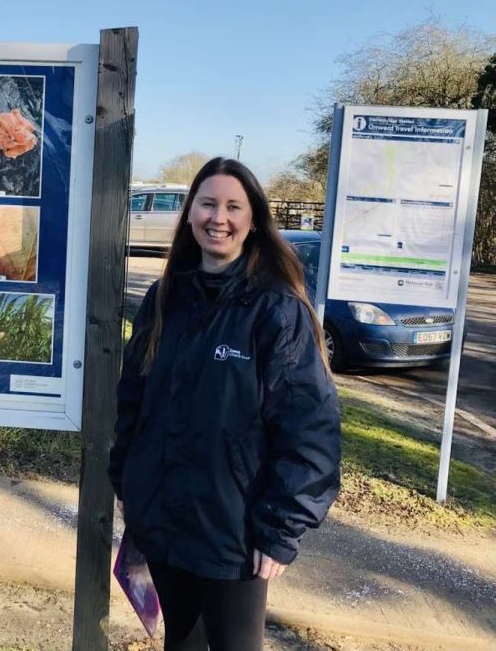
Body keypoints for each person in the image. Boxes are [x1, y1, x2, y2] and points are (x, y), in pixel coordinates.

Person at [109, 157, 340, 650]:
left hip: (234, 537)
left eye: (234, 206)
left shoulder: (276, 311)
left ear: (253, 220)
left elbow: (310, 430)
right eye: (208, 203)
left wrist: (280, 529)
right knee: (182, 644)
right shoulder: (164, 297)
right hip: (165, 522)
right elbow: (133, 399)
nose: (220, 217)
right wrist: (128, 479)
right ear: (189, 213)